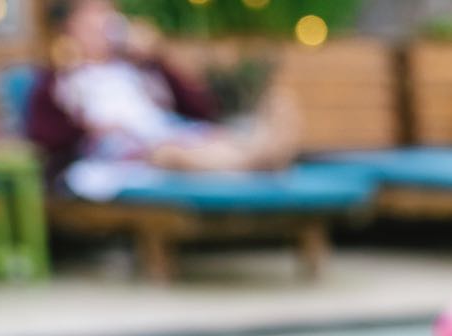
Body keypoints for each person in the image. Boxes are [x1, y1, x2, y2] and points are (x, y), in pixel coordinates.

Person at [24, 0, 299, 197]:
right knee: (171, 154)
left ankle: (258, 149)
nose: (102, 24)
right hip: (123, 152)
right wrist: (87, 127)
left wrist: (158, 56)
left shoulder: (138, 69)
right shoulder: (61, 80)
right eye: (92, 17)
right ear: (69, 27)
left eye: (106, 14)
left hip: (169, 130)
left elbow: (201, 109)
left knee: (209, 138)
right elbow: (44, 136)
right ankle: (258, 159)